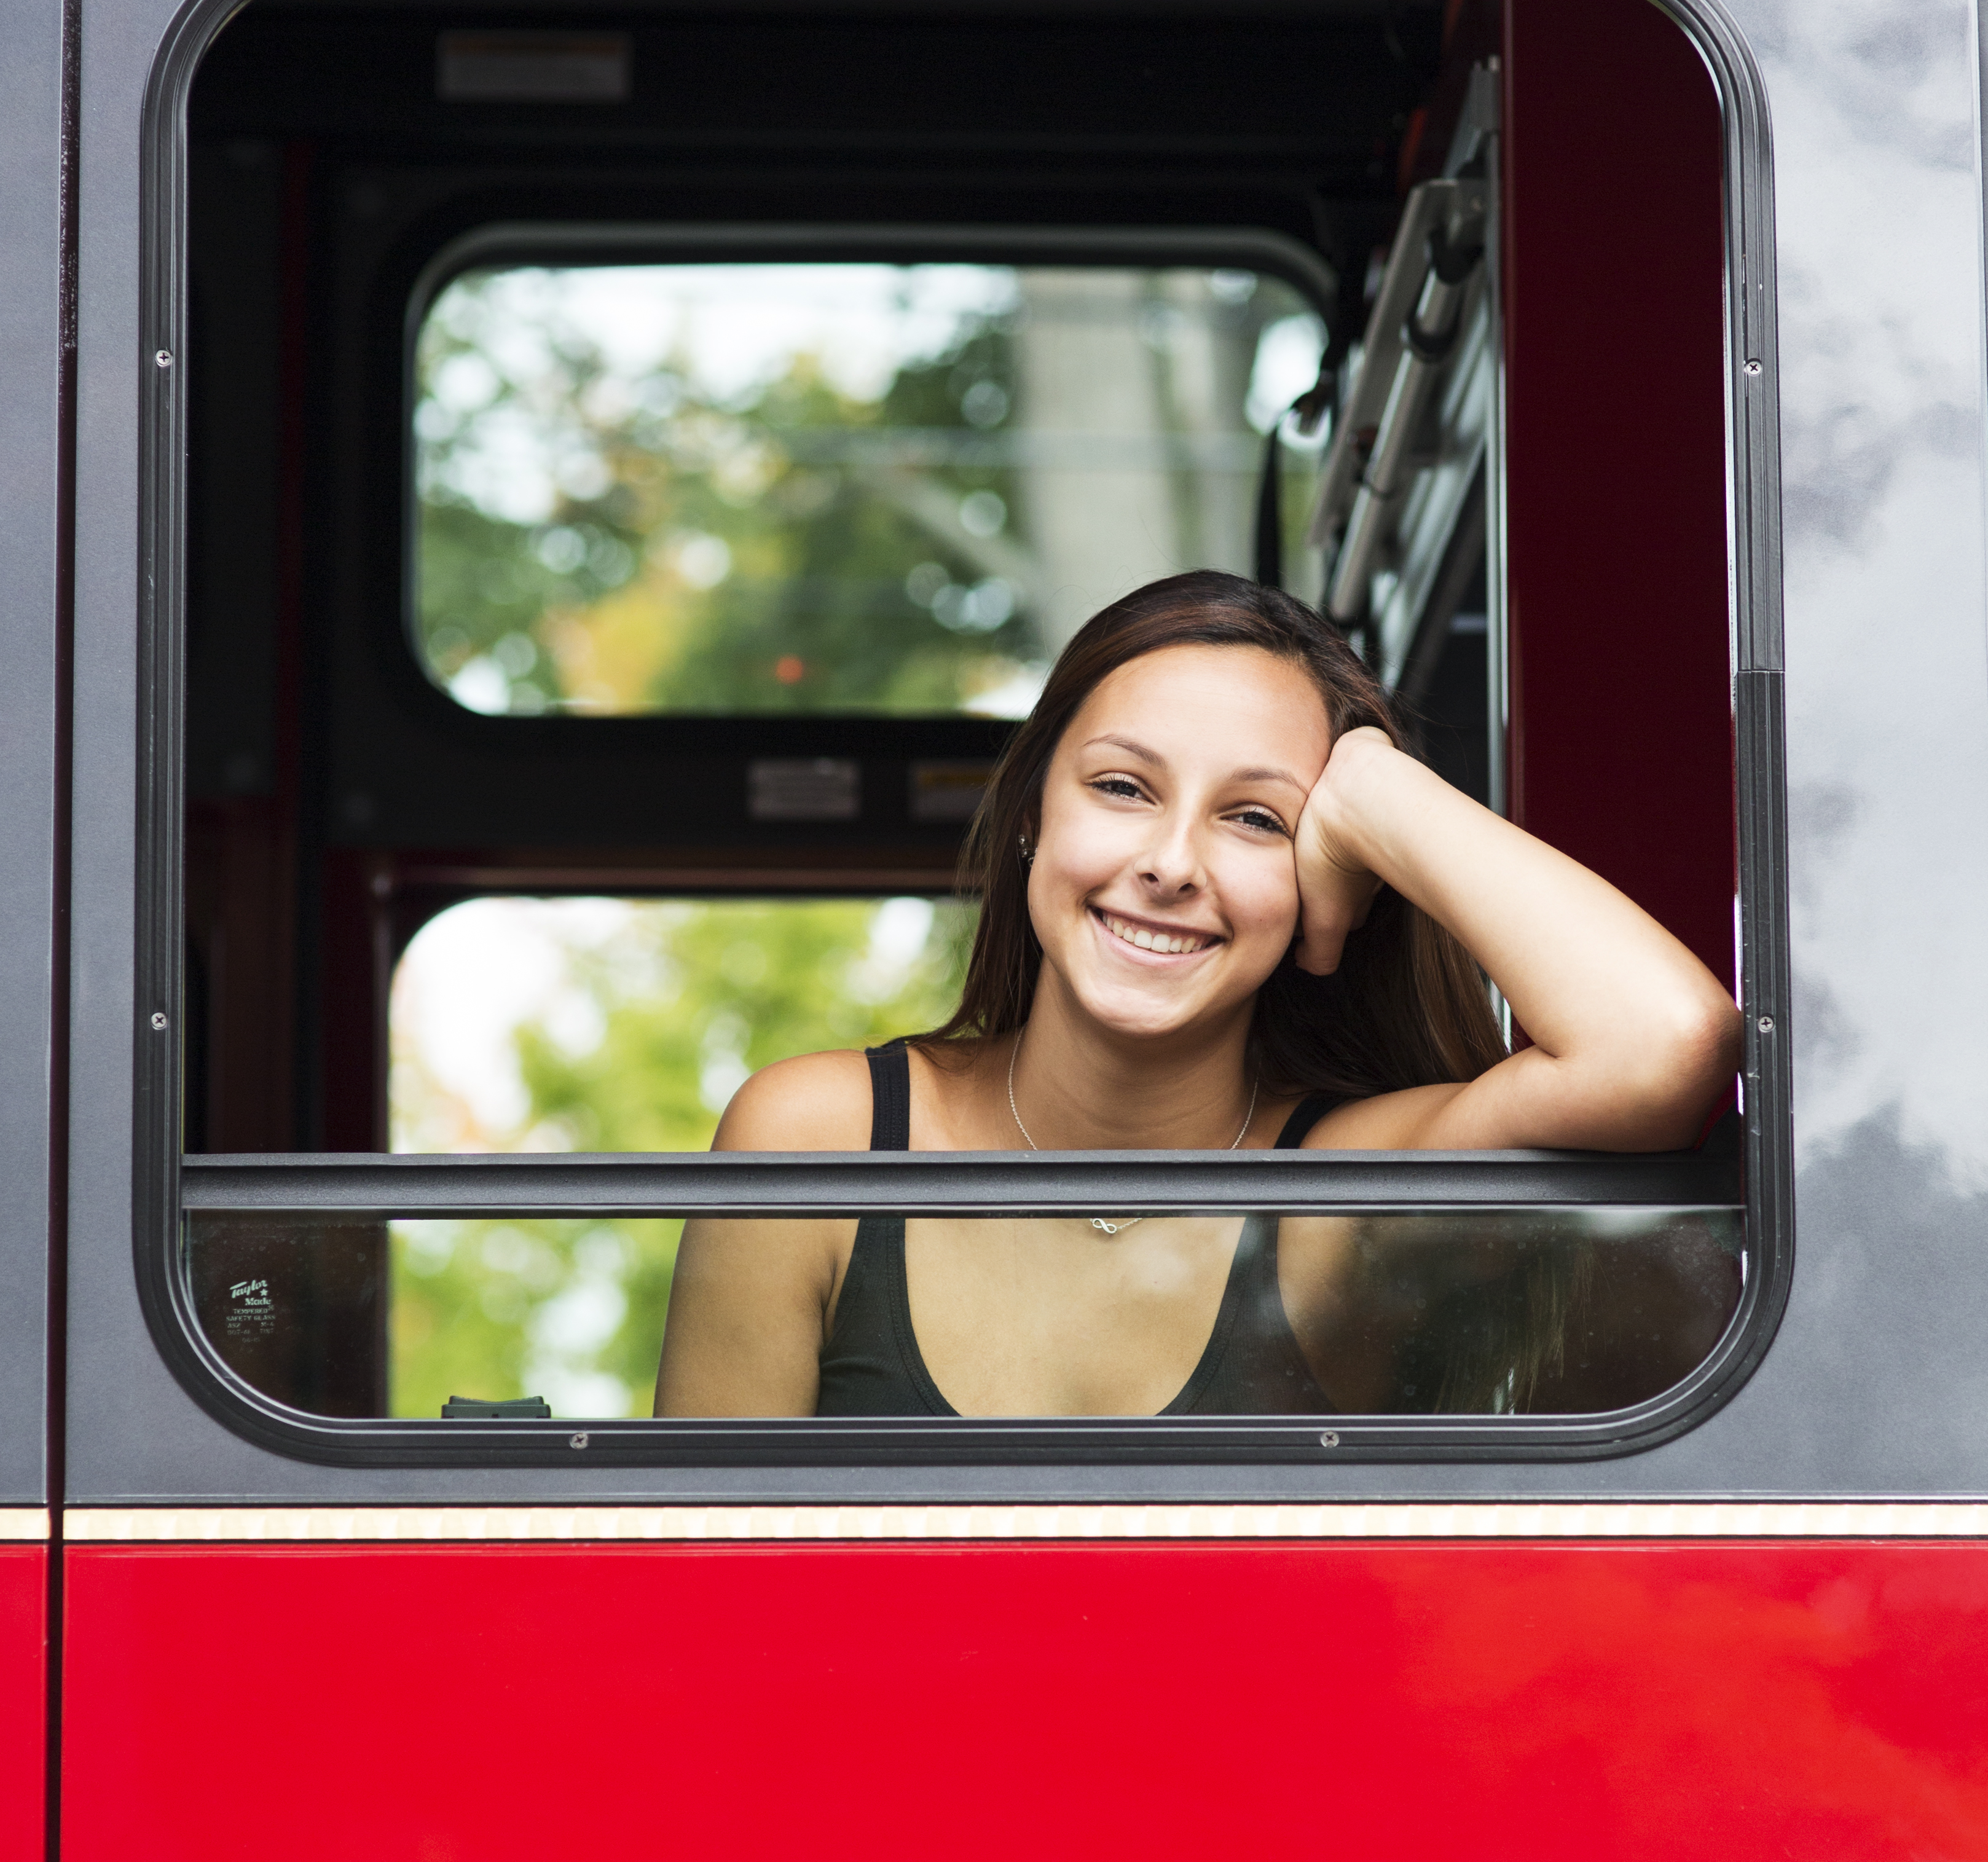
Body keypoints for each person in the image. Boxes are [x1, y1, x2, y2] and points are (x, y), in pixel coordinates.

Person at [654, 572, 1741, 1420]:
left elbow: (1666, 1044)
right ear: (1035, 812)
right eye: (1123, 789)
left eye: (1255, 819)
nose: (1173, 864)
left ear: (1331, 878)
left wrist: (1378, 787)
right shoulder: (820, 1139)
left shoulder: (1340, 1193)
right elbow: (678, 1609)